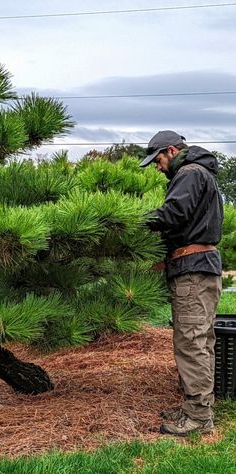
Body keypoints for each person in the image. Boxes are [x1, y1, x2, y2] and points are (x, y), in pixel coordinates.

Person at [140, 130, 223, 436]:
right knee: (201, 341)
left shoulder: (188, 172)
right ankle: (197, 408)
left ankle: (199, 417)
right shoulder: (199, 172)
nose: (157, 167)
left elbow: (174, 213)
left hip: (193, 270)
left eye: (158, 160)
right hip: (201, 267)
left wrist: (132, 219)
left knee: (190, 343)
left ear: (172, 151)